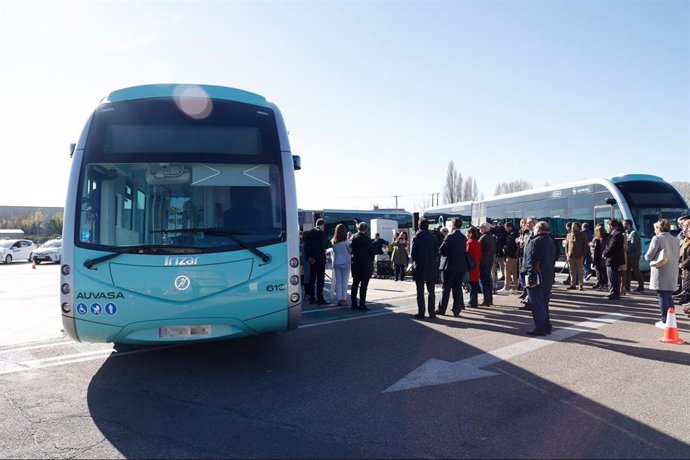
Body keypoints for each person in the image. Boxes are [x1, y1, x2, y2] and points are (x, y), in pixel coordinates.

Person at [644, 219, 681, 328]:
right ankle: (671, 319)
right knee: (669, 296)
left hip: (661, 269)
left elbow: (649, 255)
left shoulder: (657, 238)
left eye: (655, 228)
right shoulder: (675, 239)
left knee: (662, 295)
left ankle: (665, 320)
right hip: (672, 269)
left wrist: (647, 258)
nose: (654, 230)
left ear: (659, 228)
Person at [522, 221, 557, 336]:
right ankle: (547, 326)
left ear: (538, 229)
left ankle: (540, 328)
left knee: (536, 304)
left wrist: (531, 280)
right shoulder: (550, 241)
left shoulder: (535, 242)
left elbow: (533, 262)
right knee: (544, 303)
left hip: (537, 277)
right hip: (548, 277)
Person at [436, 217, 468, 317]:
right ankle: (456, 309)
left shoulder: (449, 236)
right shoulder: (464, 237)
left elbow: (441, 250)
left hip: (449, 266)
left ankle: (442, 309)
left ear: (453, 225)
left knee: (446, 289)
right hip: (460, 266)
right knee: (457, 288)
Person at [410, 218, 440, 319]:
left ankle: (421, 312)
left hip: (420, 266)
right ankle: (432, 313)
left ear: (419, 225)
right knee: (431, 291)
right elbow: (437, 252)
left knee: (420, 291)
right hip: (431, 266)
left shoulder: (417, 237)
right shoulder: (433, 236)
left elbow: (412, 254)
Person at [303, 218, 330, 305]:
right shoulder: (322, 232)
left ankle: (312, 298)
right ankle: (320, 298)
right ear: (323, 224)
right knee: (320, 280)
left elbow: (306, 247)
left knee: (312, 279)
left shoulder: (309, 233)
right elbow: (322, 246)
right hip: (320, 259)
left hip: (311, 259)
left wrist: (309, 257)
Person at [350, 222, 374, 311]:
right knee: (363, 286)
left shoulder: (354, 237)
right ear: (366, 229)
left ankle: (354, 304)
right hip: (365, 265)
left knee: (355, 284)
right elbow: (372, 253)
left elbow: (351, 249)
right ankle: (362, 304)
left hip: (355, 264)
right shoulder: (367, 239)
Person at [602, 219, 626, 300]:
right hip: (613, 259)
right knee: (613, 276)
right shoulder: (616, 234)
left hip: (613, 259)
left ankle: (614, 293)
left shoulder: (617, 234)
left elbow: (612, 247)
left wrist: (604, 253)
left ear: (611, 226)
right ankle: (614, 292)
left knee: (612, 277)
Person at [330, 223, 352, 307]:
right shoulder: (346, 241)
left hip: (337, 262)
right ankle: (344, 299)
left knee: (338, 282)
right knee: (344, 281)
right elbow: (350, 251)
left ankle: (339, 299)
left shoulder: (333, 241)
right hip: (346, 262)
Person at [497, 221, 520, 294]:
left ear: (509, 227)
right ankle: (515, 287)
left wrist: (504, 248)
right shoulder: (517, 233)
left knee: (507, 272)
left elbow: (509, 245)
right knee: (514, 272)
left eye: (506, 228)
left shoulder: (511, 235)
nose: (505, 229)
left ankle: (506, 287)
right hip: (515, 256)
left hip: (510, 255)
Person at [565, 222, 588, 291]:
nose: (573, 227)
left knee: (580, 271)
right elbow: (567, 245)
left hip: (579, 255)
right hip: (570, 255)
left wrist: (583, 255)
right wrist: (567, 254)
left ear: (578, 227)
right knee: (572, 271)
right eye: (572, 226)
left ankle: (581, 285)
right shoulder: (569, 235)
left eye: (574, 226)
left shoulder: (582, 235)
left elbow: (585, 246)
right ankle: (573, 284)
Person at [623, 219, 644, 293]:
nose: (623, 225)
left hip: (633, 255)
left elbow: (633, 245)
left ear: (628, 225)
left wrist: (625, 250)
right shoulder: (626, 232)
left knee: (636, 270)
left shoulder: (633, 233)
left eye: (624, 224)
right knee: (627, 271)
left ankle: (641, 286)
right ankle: (627, 286)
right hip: (628, 255)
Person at [478, 222, 496, 306]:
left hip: (483, 262)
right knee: (488, 281)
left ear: (485, 228)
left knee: (484, 281)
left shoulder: (484, 237)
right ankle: (489, 299)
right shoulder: (490, 236)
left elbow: (478, 248)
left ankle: (486, 299)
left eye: (481, 227)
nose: (479, 229)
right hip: (489, 261)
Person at [466, 226, 482, 308]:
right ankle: (474, 301)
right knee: (474, 284)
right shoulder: (478, 242)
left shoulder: (469, 242)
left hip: (470, 265)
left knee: (471, 284)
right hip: (477, 264)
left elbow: (467, 254)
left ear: (470, 233)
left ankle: (472, 302)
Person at [591, 224, 609, 291]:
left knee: (603, 270)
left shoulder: (605, 238)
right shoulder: (597, 238)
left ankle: (604, 284)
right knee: (598, 270)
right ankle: (600, 283)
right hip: (598, 256)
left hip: (601, 256)